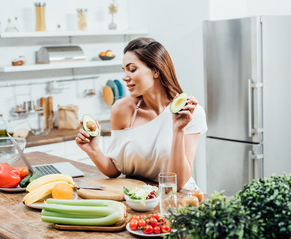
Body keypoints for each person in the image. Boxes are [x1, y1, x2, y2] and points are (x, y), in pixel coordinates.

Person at [75, 37, 207, 190]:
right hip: (136, 197)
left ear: (156, 70)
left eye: (132, 69)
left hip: (178, 200)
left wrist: (178, 129)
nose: (125, 77)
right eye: (124, 70)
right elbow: (114, 170)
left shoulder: (191, 113)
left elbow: (176, 185)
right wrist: (93, 150)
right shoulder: (121, 109)